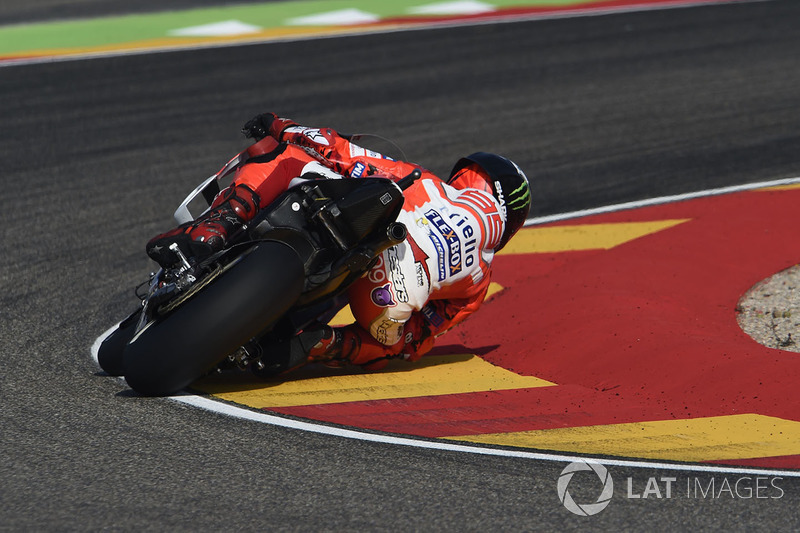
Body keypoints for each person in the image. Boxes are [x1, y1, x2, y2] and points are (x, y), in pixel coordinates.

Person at [146, 113, 531, 371]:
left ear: (471, 176)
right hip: (387, 304)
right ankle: (316, 342)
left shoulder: (429, 185)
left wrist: (281, 125)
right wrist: (338, 342)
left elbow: (345, 152)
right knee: (392, 341)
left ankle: (213, 227)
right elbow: (417, 339)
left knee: (285, 157)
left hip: (384, 246)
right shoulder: (478, 282)